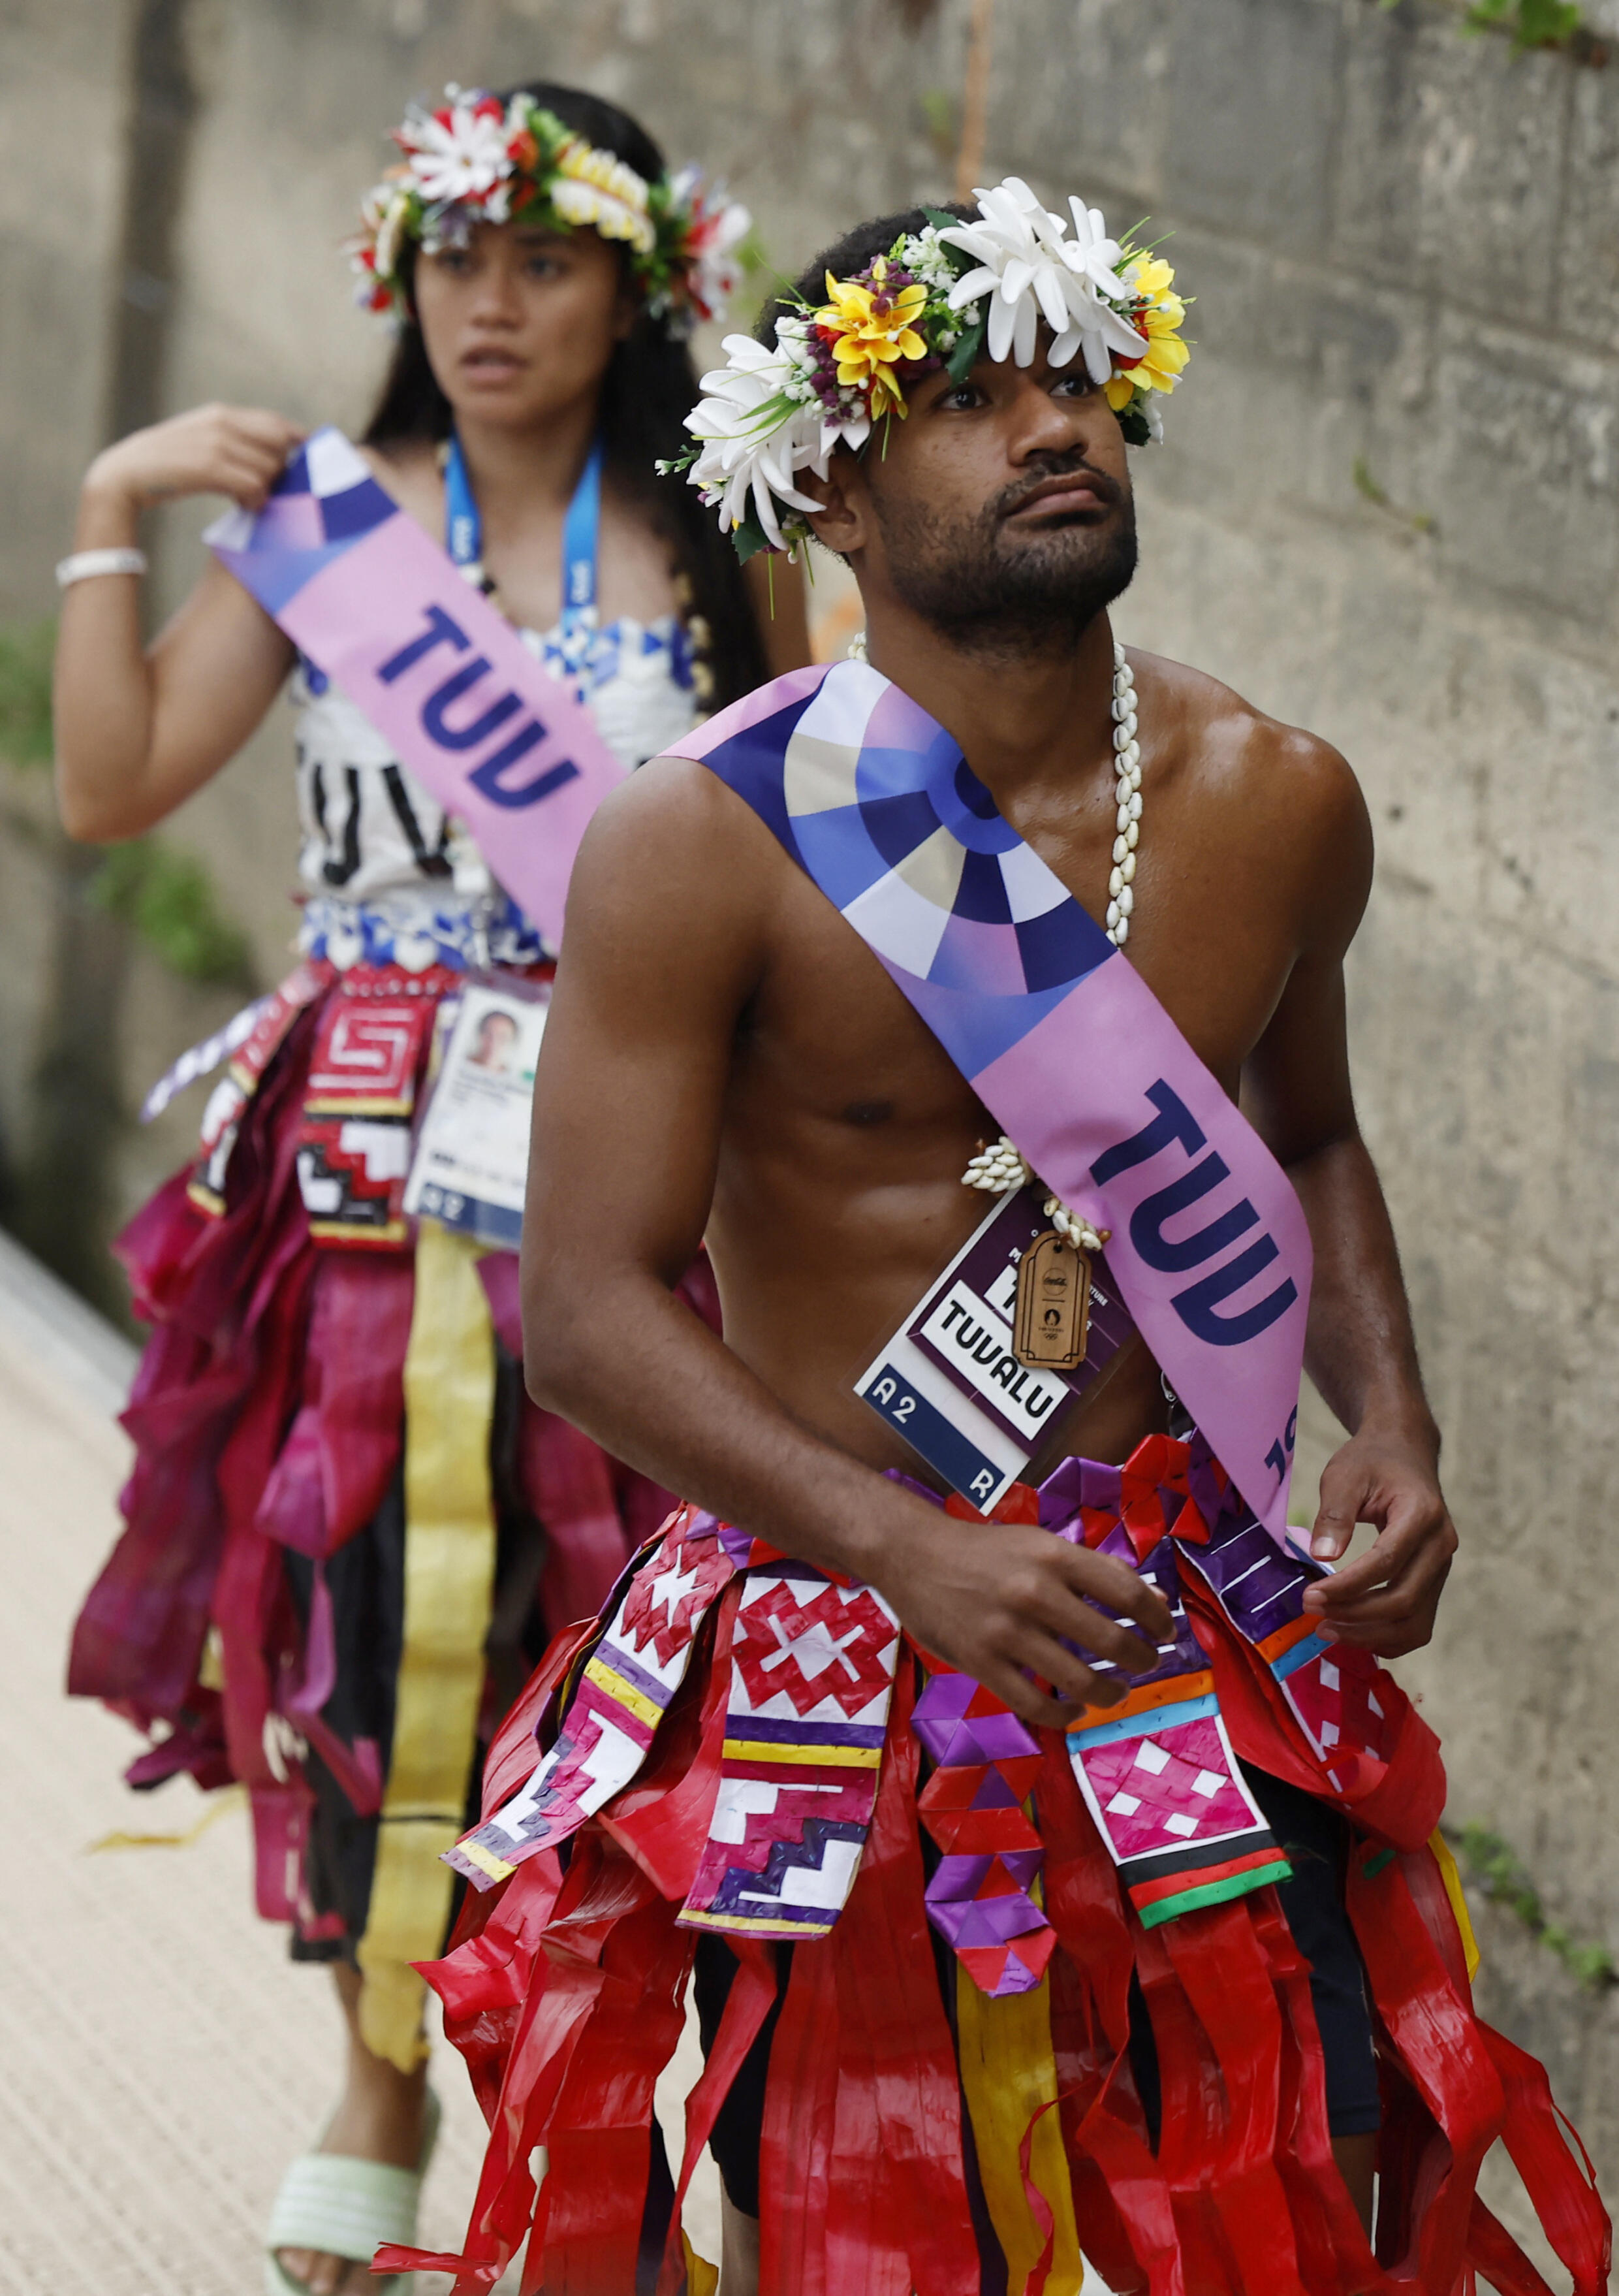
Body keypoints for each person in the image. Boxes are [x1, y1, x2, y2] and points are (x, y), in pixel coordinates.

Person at [396, 184, 1611, 2296]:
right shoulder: (708, 835)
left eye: (1082, 383)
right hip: (835, 1628)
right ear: (837, 490)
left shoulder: (1278, 795)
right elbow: (587, 1308)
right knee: (866, 2232)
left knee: (1277, 2182)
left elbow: (1305, 1138)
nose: (1057, 430)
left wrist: (1391, 1421)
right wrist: (902, 1548)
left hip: (1185, 1618)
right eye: (971, 396)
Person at [55, 81, 808, 2296]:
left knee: (631, 1629)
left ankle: (622, 2106)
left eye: (546, 257)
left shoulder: (715, 540)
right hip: (366, 1163)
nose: (492, 301)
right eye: (455, 255)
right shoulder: (321, 529)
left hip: (632, 1158)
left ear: (641, 288)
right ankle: (381, 2070)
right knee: (365, 1613)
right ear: (403, 272)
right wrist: (111, 502)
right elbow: (111, 781)